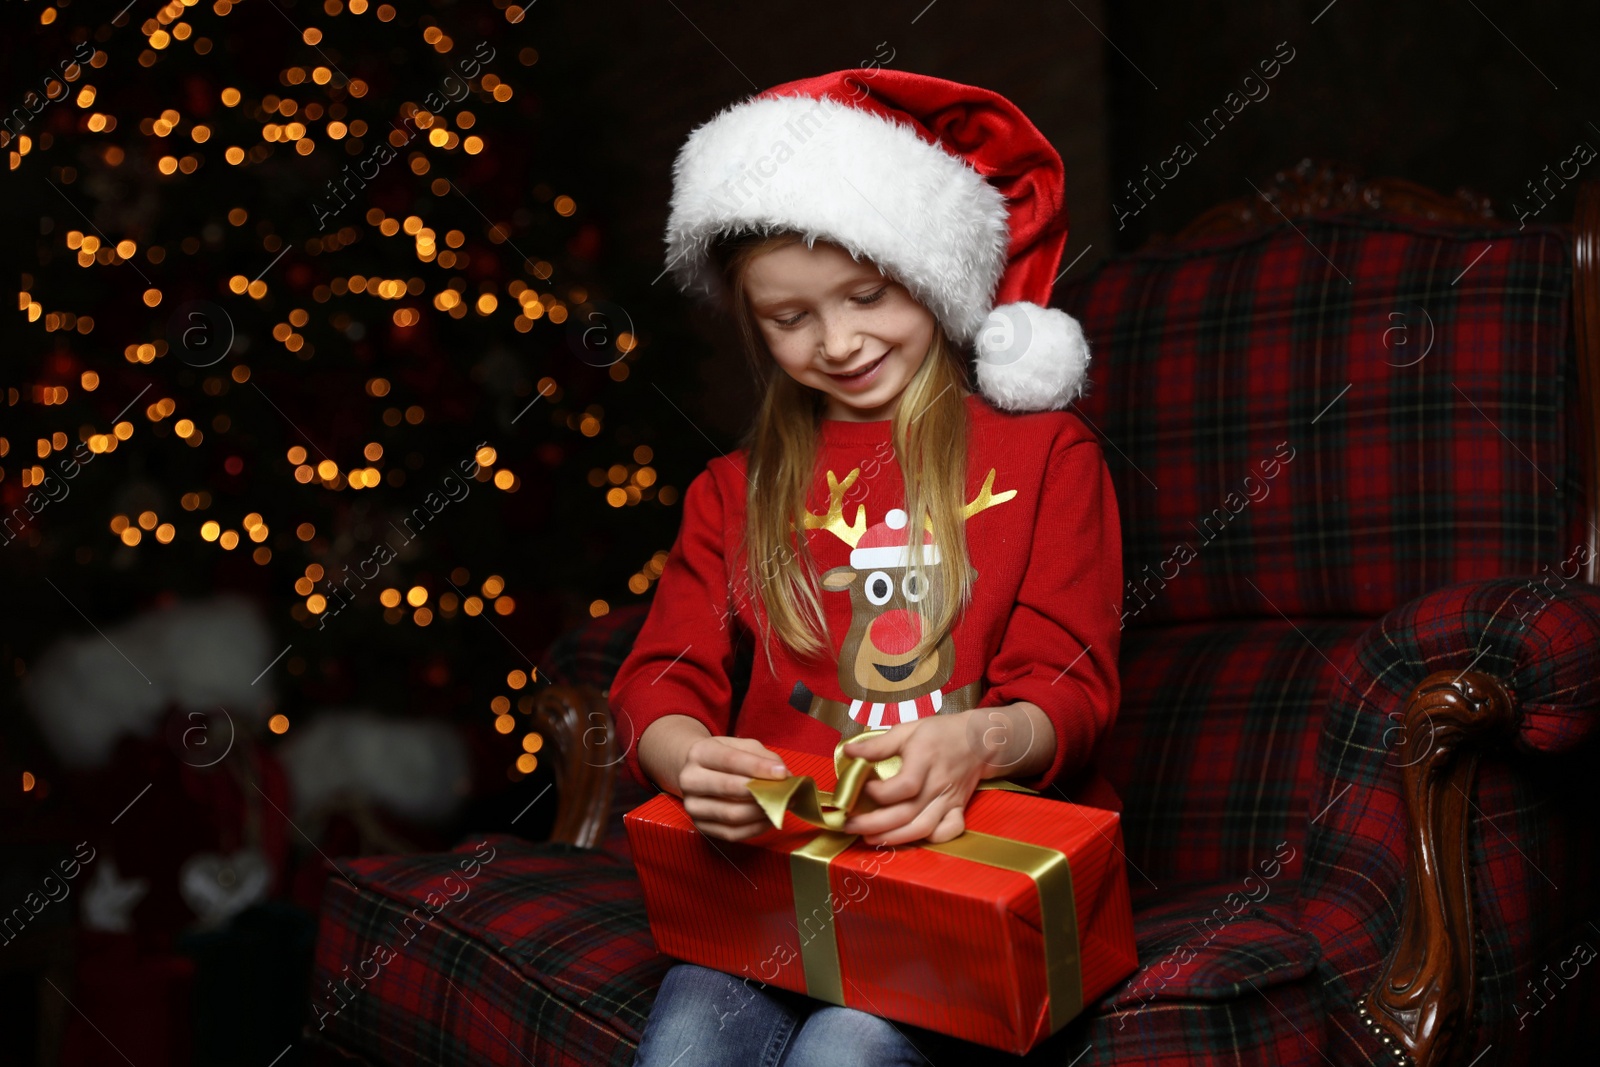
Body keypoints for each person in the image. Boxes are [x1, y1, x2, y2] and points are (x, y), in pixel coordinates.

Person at [615, 67, 1124, 1067]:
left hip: (966, 881)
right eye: (789, 316)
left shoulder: (1046, 457)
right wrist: (682, 756)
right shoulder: (732, 488)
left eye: (867, 294)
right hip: (770, 882)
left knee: (844, 1051)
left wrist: (974, 739)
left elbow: (1069, 689)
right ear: (751, 322)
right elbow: (657, 677)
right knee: (681, 1041)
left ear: (930, 274)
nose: (839, 341)